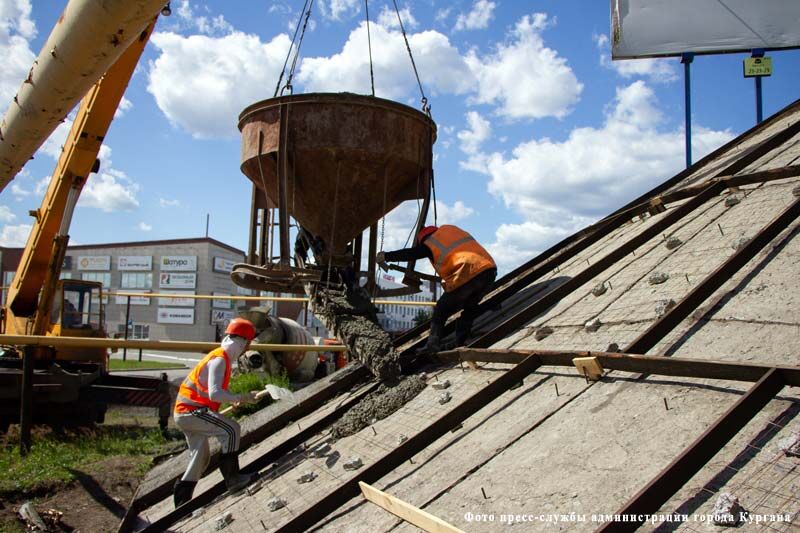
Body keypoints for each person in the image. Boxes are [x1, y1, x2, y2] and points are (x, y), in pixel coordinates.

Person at [172, 318, 261, 508]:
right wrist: (242, 397)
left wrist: (233, 399)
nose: (247, 348)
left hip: (187, 412)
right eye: (248, 343)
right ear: (241, 341)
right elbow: (215, 393)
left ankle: (181, 501)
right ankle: (233, 479)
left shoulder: (220, 357)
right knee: (231, 429)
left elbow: (212, 394)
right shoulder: (220, 359)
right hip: (191, 412)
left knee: (200, 458)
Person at [377, 225, 497, 353]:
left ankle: (432, 345)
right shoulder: (450, 230)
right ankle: (461, 340)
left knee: (441, 310)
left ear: (423, 239)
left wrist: (386, 256)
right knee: (470, 306)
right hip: (488, 271)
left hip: (466, 274)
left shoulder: (431, 242)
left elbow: (412, 253)